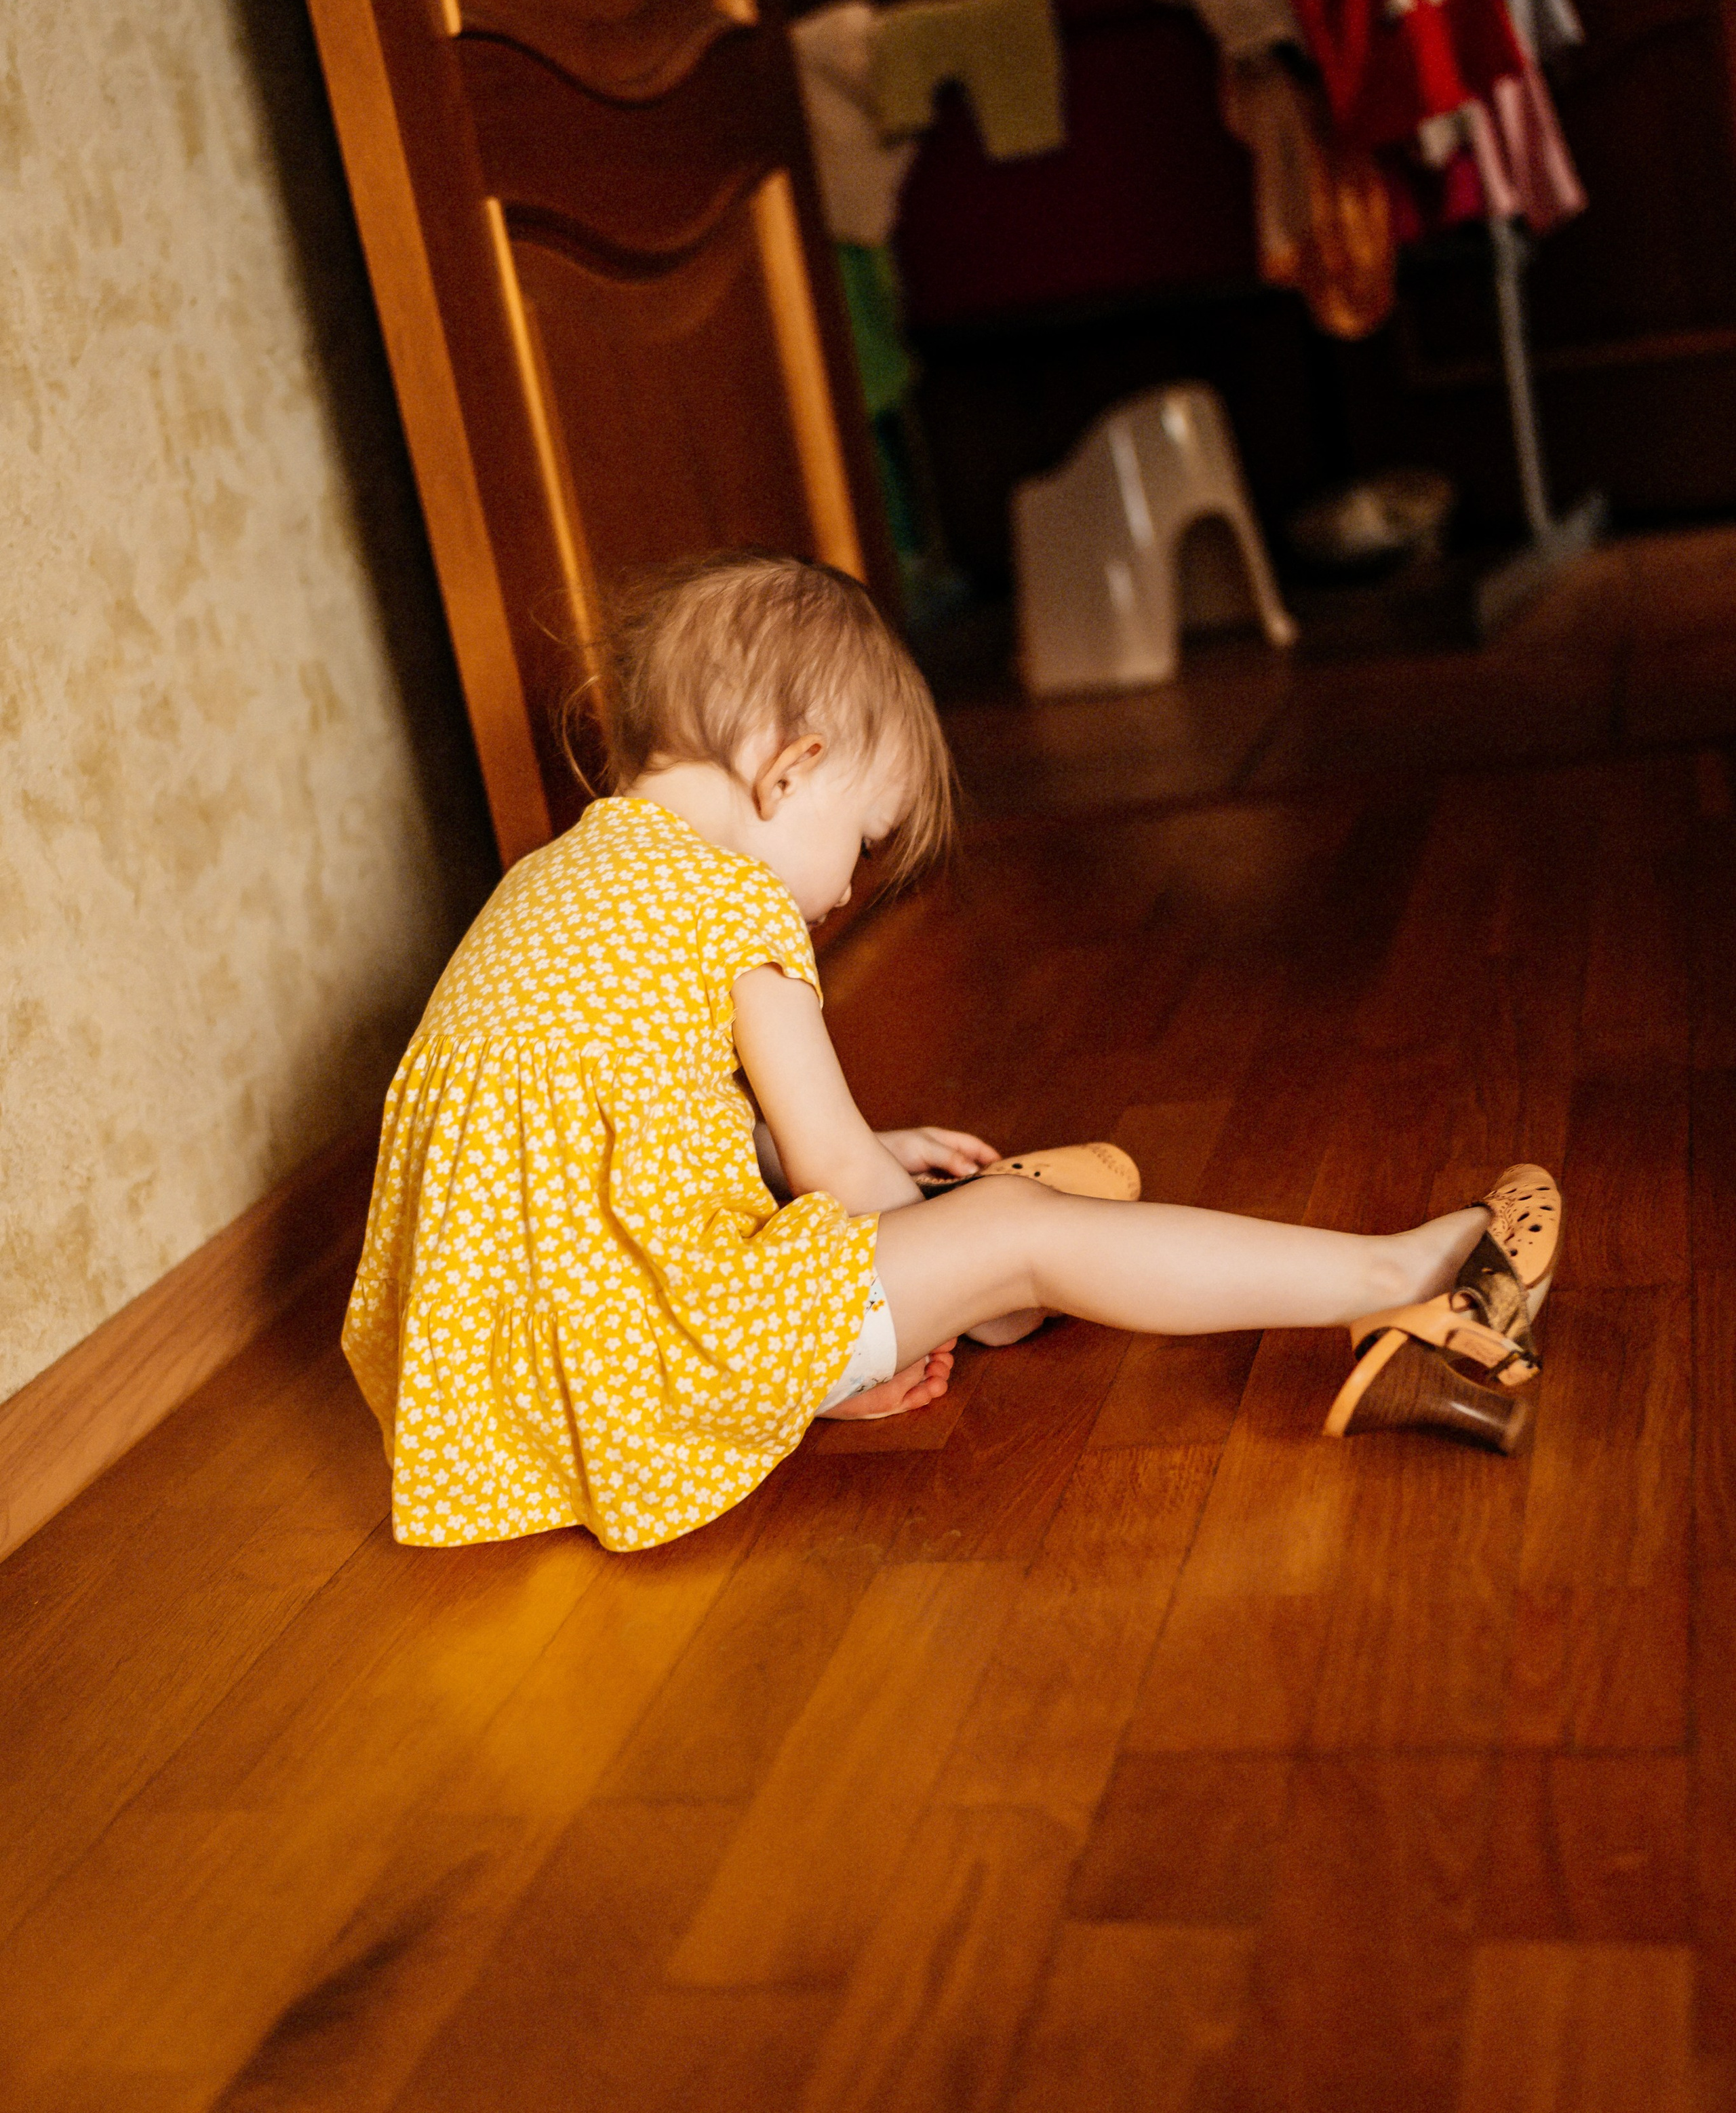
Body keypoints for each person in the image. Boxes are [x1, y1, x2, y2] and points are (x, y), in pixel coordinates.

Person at [341, 550, 1546, 1554]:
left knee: (937, 1230)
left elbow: (615, 1120)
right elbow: (845, 1185)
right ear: (791, 771)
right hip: (668, 1361)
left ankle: (834, 1358)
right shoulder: (729, 903)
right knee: (1018, 1234)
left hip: (520, 1396)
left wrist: (833, 1168)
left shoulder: (554, 885)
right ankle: (1397, 1285)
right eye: (862, 841)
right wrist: (983, 1278)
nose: (847, 887)